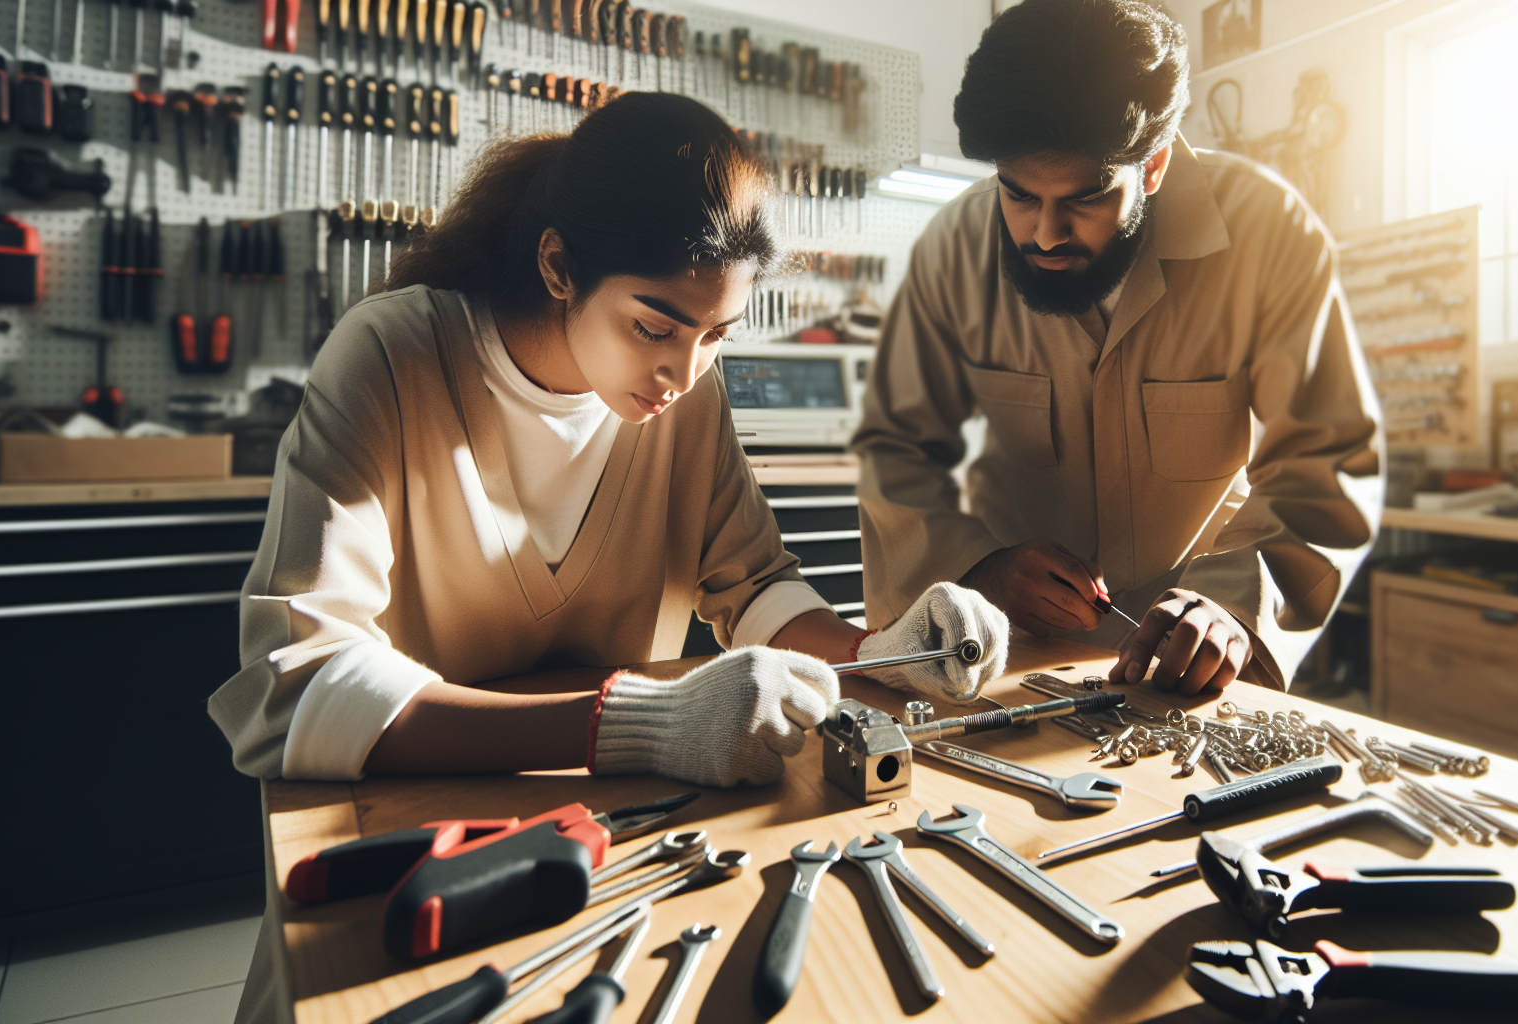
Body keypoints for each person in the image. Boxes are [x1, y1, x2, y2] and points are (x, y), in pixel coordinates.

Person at [207, 93, 1008, 795]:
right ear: (558, 266)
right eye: (653, 327)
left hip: (619, 814)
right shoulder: (391, 356)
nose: (683, 374)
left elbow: (754, 588)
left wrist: (881, 654)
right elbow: (296, 688)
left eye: (716, 336)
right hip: (413, 817)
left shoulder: (686, 397)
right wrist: (634, 725)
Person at [852, 0, 1382, 696]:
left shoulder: (1267, 234)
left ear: (1153, 165)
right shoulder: (956, 247)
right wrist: (982, 570)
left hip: (1197, 666)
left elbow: (1326, 456)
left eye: (1086, 198)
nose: (1045, 234)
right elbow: (897, 451)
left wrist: (1233, 605)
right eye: (1018, 195)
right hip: (1008, 661)